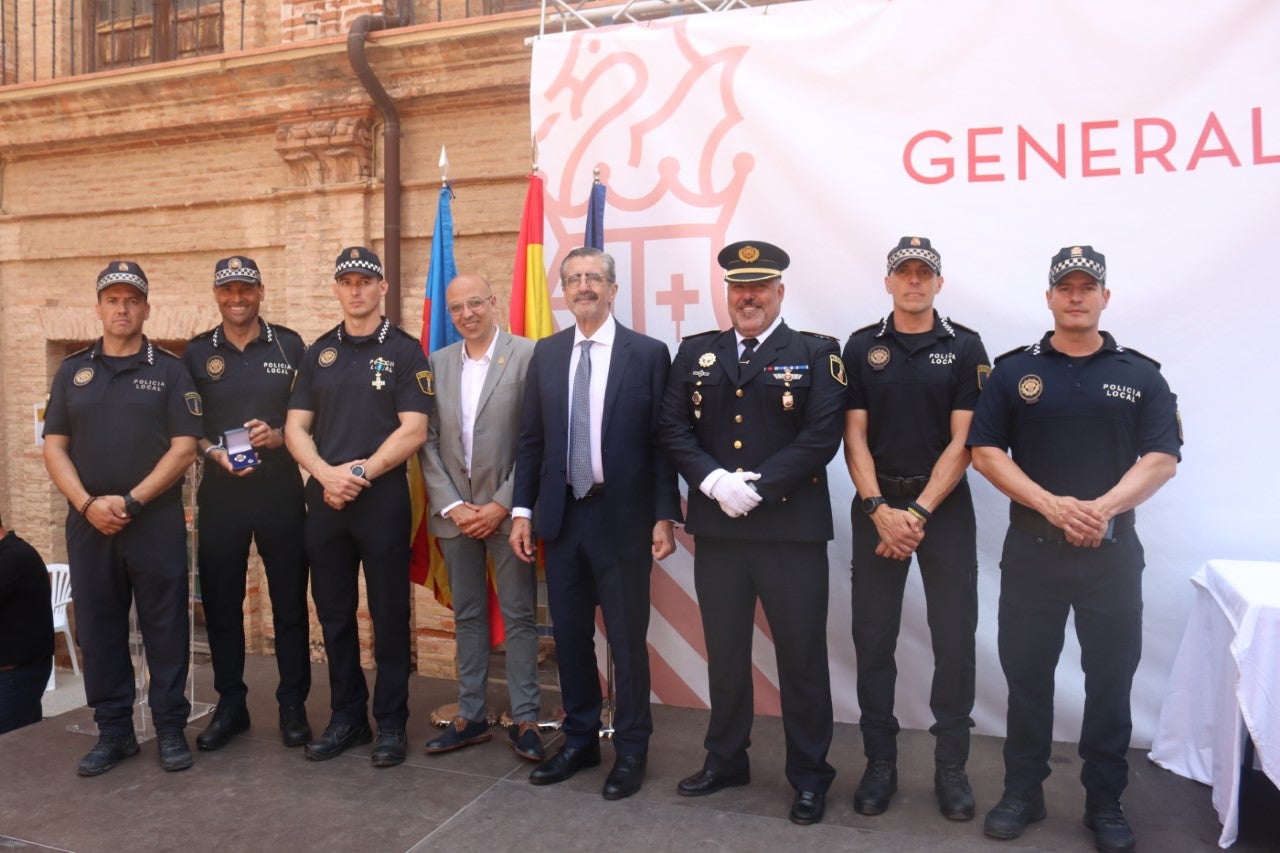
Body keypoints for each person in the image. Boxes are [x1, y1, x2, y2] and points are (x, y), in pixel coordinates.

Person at [969, 245, 1181, 853]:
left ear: (1105, 297)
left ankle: (1105, 802)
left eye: (1088, 287)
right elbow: (985, 453)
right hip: (1033, 553)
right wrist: (1053, 507)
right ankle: (1022, 792)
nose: (1077, 297)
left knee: (1110, 682)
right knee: (1027, 677)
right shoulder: (1014, 372)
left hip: (1111, 558)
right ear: (1050, 297)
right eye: (1066, 287)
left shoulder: (1141, 375)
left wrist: (1100, 510)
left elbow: (1162, 459)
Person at [658, 240, 846, 825]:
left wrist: (758, 488)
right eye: (739, 288)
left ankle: (810, 776)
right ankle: (725, 759)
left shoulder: (816, 352)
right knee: (726, 654)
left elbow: (822, 436)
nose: (748, 297)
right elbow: (672, 426)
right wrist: (715, 481)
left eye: (759, 286)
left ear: (779, 292)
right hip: (720, 533)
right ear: (728, 294)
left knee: (802, 659)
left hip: (790, 533)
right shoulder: (696, 352)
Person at [510, 246, 680, 800]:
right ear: (563, 292)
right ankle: (581, 739)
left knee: (627, 642)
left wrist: (664, 515)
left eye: (593, 277)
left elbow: (663, 444)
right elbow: (532, 440)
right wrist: (522, 511)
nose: (583, 286)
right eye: (573, 279)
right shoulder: (548, 353)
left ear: (612, 289)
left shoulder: (648, 354)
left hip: (623, 518)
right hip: (562, 518)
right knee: (570, 638)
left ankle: (631, 749)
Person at [841, 236, 989, 821]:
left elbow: (966, 441)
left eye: (924, 273)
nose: (914, 282)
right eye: (903, 273)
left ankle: (951, 767)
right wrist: (879, 507)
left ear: (938, 283)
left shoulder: (965, 346)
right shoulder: (861, 346)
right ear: (888, 282)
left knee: (954, 639)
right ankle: (880, 763)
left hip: (942, 510)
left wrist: (919, 512)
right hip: (876, 508)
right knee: (873, 638)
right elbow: (853, 435)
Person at [42, 261, 202, 775]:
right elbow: (54, 447)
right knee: (98, 629)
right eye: (112, 300)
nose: (122, 309)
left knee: (165, 626)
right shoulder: (72, 372)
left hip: (153, 521)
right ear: (99, 309)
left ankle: (170, 729)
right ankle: (114, 732)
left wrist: (131, 501)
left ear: (146, 309)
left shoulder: (171, 371)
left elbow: (184, 448)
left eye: (132, 300)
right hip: (89, 523)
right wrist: (88, 504)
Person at [284, 247, 432, 768]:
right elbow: (294, 427)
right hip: (325, 499)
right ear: (336, 289)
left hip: (381, 497)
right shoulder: (318, 352)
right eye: (346, 281)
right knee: (334, 613)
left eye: (365, 281)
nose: (356, 290)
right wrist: (326, 474)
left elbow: (414, 429)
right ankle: (347, 717)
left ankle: (390, 722)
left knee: (389, 613)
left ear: (382, 287)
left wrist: (359, 473)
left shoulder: (406, 351)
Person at [183, 256, 312, 752]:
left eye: (245, 288)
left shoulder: (289, 344)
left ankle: (292, 704)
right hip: (221, 493)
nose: (236, 297)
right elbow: (187, 429)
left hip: (280, 490)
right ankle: (230, 705)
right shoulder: (196, 352)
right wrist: (212, 452)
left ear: (261, 291)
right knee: (221, 604)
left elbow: (310, 415)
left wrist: (279, 436)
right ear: (216, 294)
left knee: (289, 604)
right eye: (227, 289)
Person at [419, 273, 543, 762]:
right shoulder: (437, 363)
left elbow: (536, 438)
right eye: (456, 308)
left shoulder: (527, 355)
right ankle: (470, 715)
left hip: (507, 514)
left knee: (518, 615)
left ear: (493, 302)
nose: (466, 314)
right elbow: (426, 440)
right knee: (467, 614)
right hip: (456, 515)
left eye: (475, 304)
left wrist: (501, 505)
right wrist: (453, 505)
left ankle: (526, 717)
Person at [0, 515, 55, 735]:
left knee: (12, 747)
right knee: (27, 742)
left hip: (15, 676)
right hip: (13, 675)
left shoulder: (13, 557)